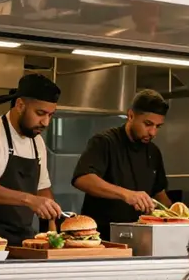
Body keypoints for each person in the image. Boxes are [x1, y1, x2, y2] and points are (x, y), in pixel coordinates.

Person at [0, 72, 63, 245]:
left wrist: (52, 225)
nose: (45, 122)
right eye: (40, 113)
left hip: (23, 240)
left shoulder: (36, 141)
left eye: (50, 115)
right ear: (20, 105)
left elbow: (42, 189)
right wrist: (29, 200)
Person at [72, 89, 172, 240]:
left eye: (158, 126)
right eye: (148, 124)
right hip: (103, 238)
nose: (153, 132)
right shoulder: (104, 142)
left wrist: (177, 217)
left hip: (141, 238)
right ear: (130, 115)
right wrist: (126, 194)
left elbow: (159, 193)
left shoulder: (153, 152)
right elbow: (82, 179)